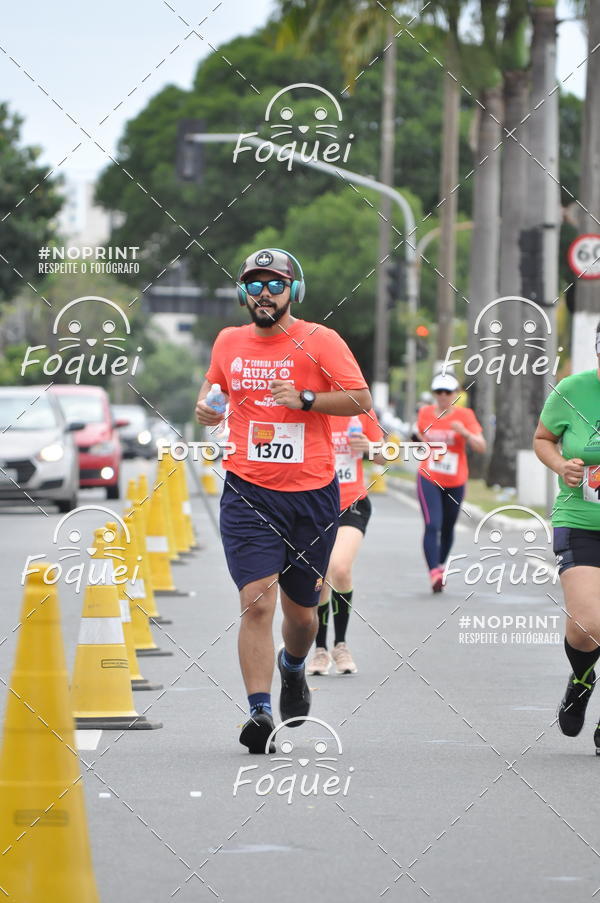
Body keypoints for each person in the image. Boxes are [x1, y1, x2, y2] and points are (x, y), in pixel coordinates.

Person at [195, 248, 371, 753]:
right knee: (256, 602)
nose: (264, 293)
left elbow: (360, 399)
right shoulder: (229, 341)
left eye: (275, 284)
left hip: (312, 496)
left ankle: (293, 668)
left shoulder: (322, 340)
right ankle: (259, 711)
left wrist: (308, 400)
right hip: (248, 491)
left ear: (294, 290)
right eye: (254, 285)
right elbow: (213, 391)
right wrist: (206, 410)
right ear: (242, 294)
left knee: (301, 616)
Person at [533, 323, 600, 746]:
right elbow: (542, 439)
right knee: (587, 625)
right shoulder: (573, 390)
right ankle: (581, 679)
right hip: (580, 519)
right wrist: (563, 466)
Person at [307, 410, 385, 677]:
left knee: (339, 568)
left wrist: (369, 447)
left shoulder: (360, 410)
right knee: (320, 575)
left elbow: (383, 456)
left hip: (352, 504)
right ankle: (320, 649)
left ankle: (340, 644)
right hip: (315, 505)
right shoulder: (311, 405)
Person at [415, 372, 486, 592]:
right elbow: (418, 436)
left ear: (456, 394)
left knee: (447, 527)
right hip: (429, 476)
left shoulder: (465, 415)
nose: (444, 396)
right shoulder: (425, 413)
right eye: (439, 392)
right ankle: (434, 573)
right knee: (432, 524)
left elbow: (481, 446)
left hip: (456, 479)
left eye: (448, 392)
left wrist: (464, 432)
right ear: (434, 394)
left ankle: (440, 565)